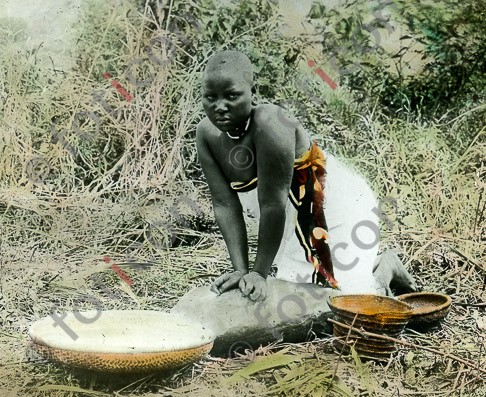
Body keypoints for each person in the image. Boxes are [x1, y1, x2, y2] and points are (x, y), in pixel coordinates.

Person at [196, 50, 383, 302]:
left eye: (232, 95)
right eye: (210, 97)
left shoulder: (270, 123)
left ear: (253, 91)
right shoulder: (206, 134)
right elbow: (224, 205)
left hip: (332, 204)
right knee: (298, 293)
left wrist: (259, 273)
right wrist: (240, 270)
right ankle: (371, 266)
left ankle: (383, 270)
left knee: (345, 301)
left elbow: (273, 204)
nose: (219, 106)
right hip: (290, 211)